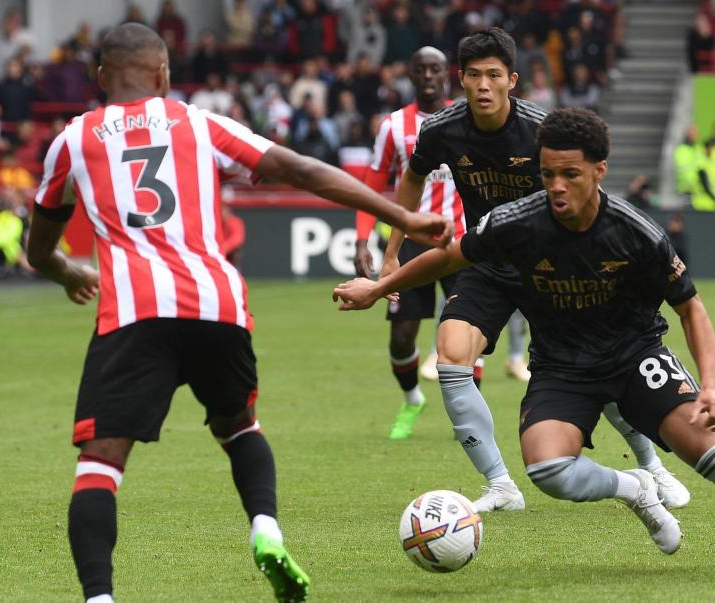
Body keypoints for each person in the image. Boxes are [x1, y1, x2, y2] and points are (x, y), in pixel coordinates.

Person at [25, 23, 450, 603]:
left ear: (100, 77)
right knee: (239, 426)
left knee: (100, 463)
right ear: (164, 75)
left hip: (134, 310)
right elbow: (301, 168)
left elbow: (39, 247)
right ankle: (266, 530)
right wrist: (404, 219)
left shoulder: (72, 140)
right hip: (218, 306)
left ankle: (100, 597)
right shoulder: (200, 124)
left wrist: (66, 271)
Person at [333, 107, 715, 576]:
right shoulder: (516, 223)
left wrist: (712, 385)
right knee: (546, 467)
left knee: (708, 453)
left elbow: (691, 306)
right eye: (547, 172)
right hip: (561, 368)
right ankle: (635, 487)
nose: (556, 185)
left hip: (635, 357)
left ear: (599, 170)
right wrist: (379, 287)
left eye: (569, 174)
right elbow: (448, 258)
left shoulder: (636, 233)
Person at [380, 27, 689, 513]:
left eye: (494, 76)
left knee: (595, 363)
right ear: (460, 80)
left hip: (552, 267)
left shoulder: (540, 132)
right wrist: (392, 248)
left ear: (512, 81)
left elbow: (584, 194)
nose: (483, 85)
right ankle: (500, 484)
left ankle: (652, 467)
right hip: (486, 262)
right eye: (474, 75)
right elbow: (412, 178)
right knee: (451, 356)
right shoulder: (441, 129)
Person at [352, 47, 469, 440]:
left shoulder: (467, 118)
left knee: (467, 330)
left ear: (446, 74)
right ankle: (413, 398)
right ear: (413, 76)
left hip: (461, 241)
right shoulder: (393, 126)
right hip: (410, 244)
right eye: (420, 70)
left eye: (435, 69)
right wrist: (362, 239)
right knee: (402, 338)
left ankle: (465, 420)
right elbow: (373, 185)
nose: (428, 76)